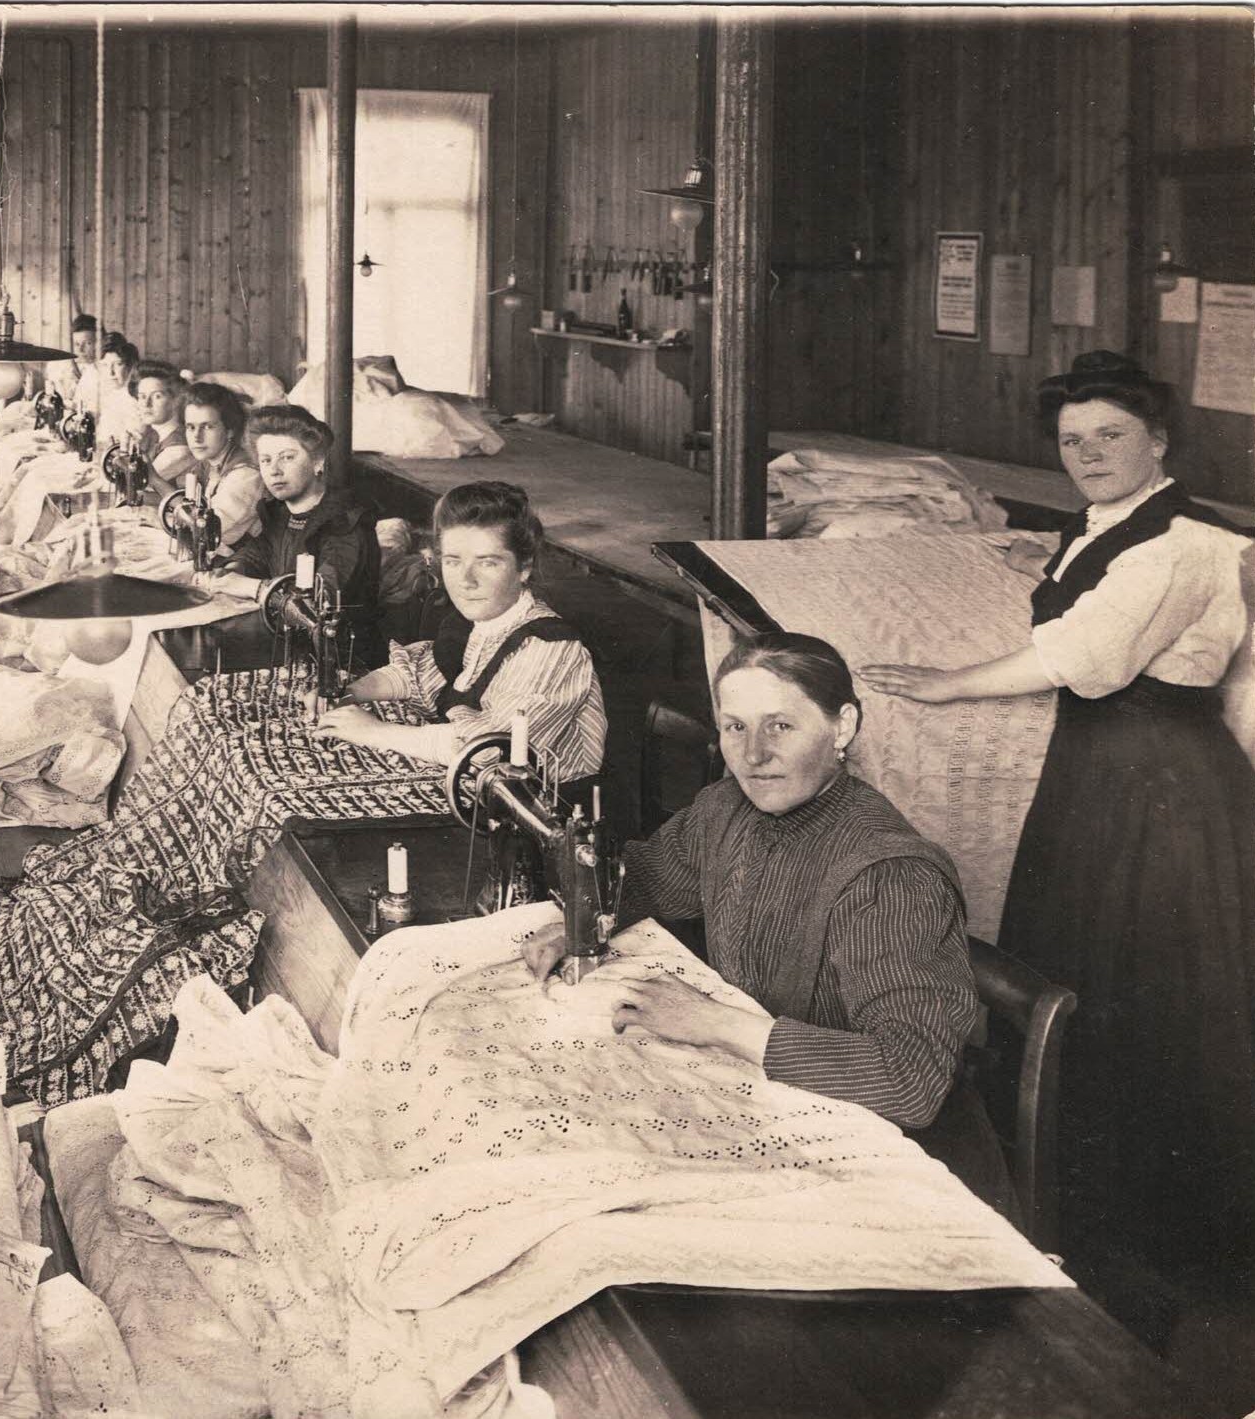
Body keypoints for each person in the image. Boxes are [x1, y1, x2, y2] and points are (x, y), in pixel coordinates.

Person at [858, 351, 1255, 1330]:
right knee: (1086, 969)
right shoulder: (1105, 527)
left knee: (1157, 991)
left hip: (1163, 789)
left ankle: (1166, 1239)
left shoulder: (1185, 545)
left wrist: (944, 684)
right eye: (1073, 441)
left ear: (1157, 440)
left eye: (1110, 436)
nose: (1089, 455)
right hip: (1103, 778)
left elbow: (1088, 655)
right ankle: (1085, 1202)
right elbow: (1081, 597)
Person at [593, 634, 990, 1157]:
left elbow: (909, 1080)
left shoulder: (890, 875)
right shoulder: (725, 809)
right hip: (772, 1101)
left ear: (841, 726)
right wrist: (589, 912)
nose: (754, 755)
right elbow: (650, 877)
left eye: (780, 725)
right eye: (736, 727)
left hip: (888, 1147)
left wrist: (712, 1022)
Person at [315, 482, 605, 781]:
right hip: (480, 785)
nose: (466, 580)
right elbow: (417, 675)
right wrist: (351, 692)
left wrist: (375, 731)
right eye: (453, 561)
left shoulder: (549, 647)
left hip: (542, 800)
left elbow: (489, 749)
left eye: (487, 563)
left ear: (525, 567)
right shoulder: (477, 621)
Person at [203, 403, 381, 652]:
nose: (274, 470)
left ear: (318, 461)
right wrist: (233, 569)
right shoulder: (281, 513)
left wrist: (253, 587)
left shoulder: (345, 523)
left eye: (287, 457)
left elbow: (318, 602)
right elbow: (259, 553)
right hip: (287, 641)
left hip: (339, 656)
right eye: (266, 460)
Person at [181, 381, 263, 553]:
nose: (196, 437)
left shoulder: (246, 475)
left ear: (230, 430)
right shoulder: (209, 464)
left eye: (207, 427)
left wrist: (158, 517)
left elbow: (205, 531)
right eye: (191, 427)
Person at [128, 361, 201, 495]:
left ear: (176, 400)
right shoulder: (154, 434)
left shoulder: (179, 448)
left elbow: (136, 485)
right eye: (142, 396)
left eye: (157, 396)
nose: (146, 404)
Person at [47, 313, 99, 406]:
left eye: (87, 343)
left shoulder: (104, 369)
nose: (80, 349)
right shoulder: (62, 366)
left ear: (99, 343)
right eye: (77, 344)